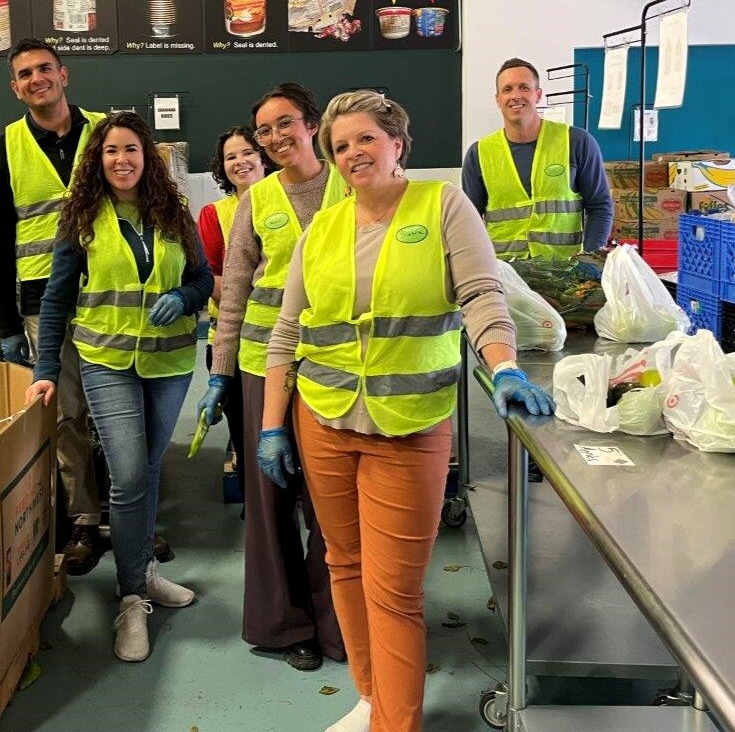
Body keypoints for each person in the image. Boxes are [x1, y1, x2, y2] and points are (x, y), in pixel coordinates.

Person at [259, 90, 555, 732]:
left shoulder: (444, 205)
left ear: (396, 141)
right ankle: (371, 698)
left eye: (365, 138)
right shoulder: (323, 228)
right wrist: (271, 425)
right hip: (325, 419)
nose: (352, 153)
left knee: (394, 591)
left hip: (408, 426)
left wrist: (503, 365)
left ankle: (397, 723)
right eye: (340, 146)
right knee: (343, 564)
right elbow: (287, 331)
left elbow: (481, 295)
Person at [24, 111, 213, 663]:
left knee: (149, 468)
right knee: (129, 473)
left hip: (170, 362)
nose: (122, 160)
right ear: (97, 160)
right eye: (111, 151)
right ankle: (132, 599)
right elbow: (56, 297)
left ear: (146, 156)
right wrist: (44, 370)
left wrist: (187, 297)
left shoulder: (175, 215)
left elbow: (202, 278)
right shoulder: (80, 217)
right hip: (106, 361)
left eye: (131, 149)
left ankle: (143, 574)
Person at [198, 83, 346, 671]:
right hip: (265, 365)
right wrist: (220, 373)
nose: (275, 137)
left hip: (338, 363)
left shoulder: (348, 181)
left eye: (285, 124)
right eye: (264, 130)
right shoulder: (256, 201)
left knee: (331, 499)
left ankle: (339, 623)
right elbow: (232, 293)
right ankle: (285, 627)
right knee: (270, 498)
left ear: (311, 123)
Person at [0, 38, 106, 575]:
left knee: (123, 411)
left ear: (64, 74)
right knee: (69, 412)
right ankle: (83, 518)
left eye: (44, 69)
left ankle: (131, 515)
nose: (37, 79)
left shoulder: (108, 132)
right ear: (15, 88)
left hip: (114, 292)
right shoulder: (2, 149)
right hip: (42, 300)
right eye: (24, 74)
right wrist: (7, 322)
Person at [461, 57, 613, 258]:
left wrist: (589, 259)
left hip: (565, 275)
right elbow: (467, 222)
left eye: (524, 87)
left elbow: (600, 206)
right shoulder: (478, 154)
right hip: (505, 276)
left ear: (538, 95)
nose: (515, 95)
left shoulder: (576, 142)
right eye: (507, 89)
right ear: (497, 99)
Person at [196, 126, 273, 501]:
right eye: (231, 156)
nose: (240, 162)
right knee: (246, 433)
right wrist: (265, 296)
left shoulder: (286, 205)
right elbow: (209, 277)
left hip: (291, 340)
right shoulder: (215, 215)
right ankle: (256, 509)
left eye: (248, 153)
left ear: (264, 158)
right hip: (232, 341)